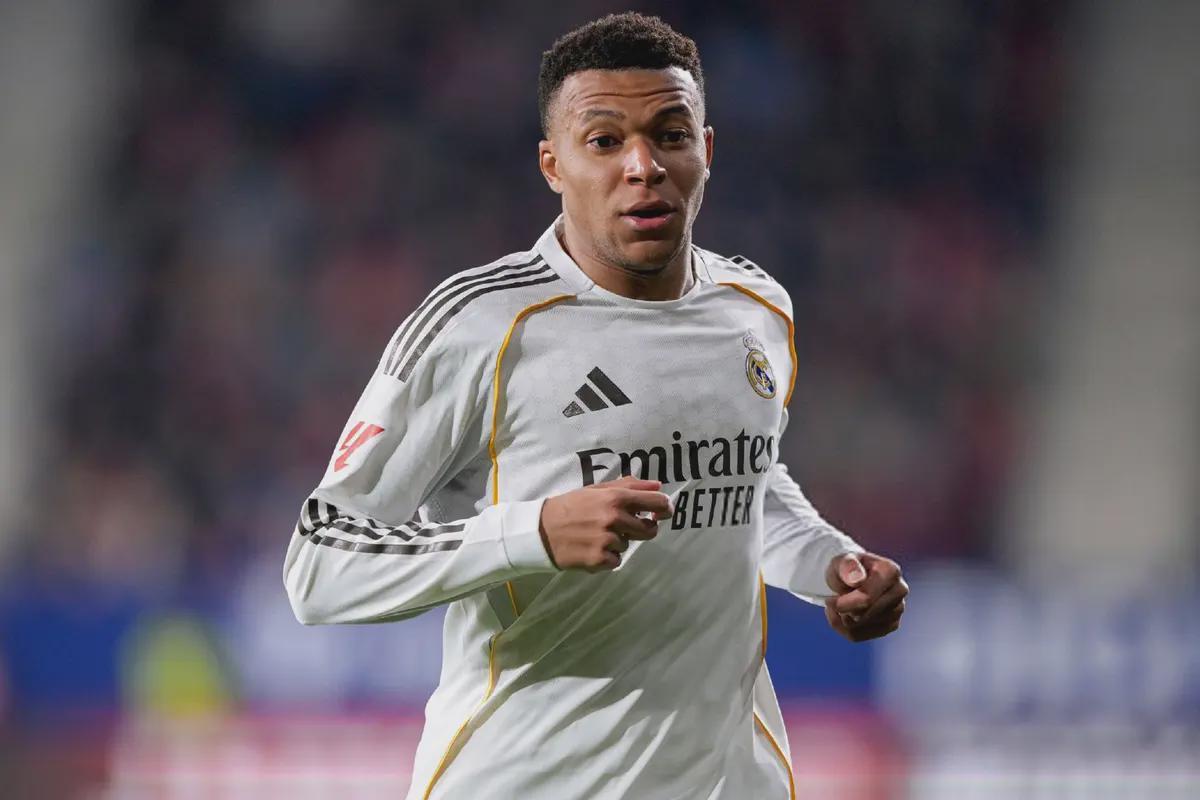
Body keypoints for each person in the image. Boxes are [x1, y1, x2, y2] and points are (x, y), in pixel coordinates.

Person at [283, 12, 907, 800]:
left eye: (670, 135)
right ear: (553, 164)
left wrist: (829, 565)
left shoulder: (756, 308)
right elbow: (321, 564)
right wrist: (532, 532)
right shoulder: (482, 325)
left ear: (707, 150)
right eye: (605, 141)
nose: (643, 166)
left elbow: (740, 482)